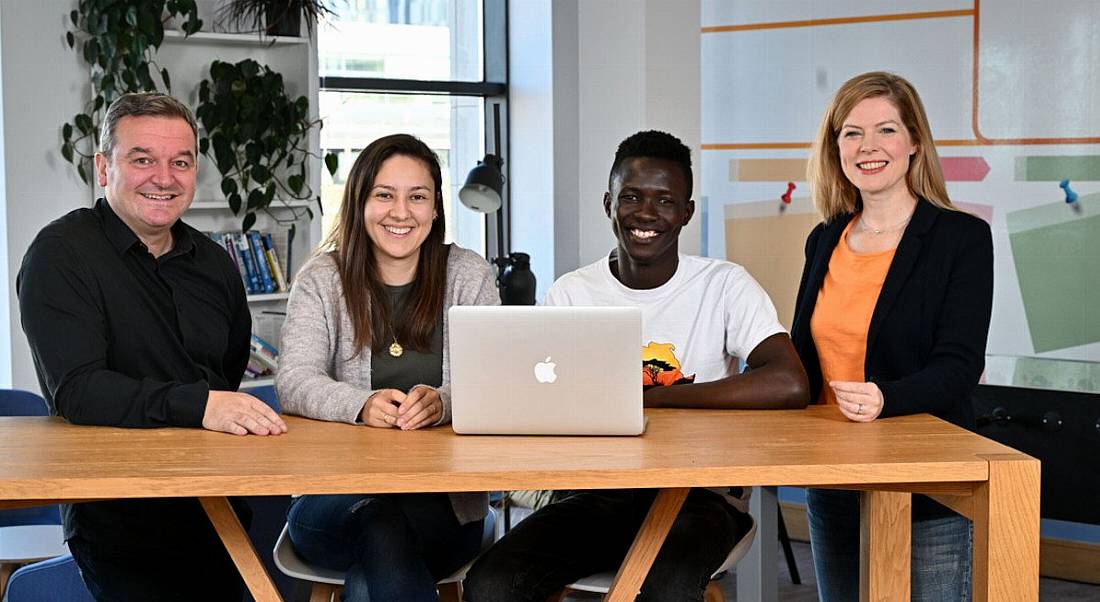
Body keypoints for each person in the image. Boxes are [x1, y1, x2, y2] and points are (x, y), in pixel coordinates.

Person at [463, 130, 809, 601]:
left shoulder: (725, 285)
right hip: (596, 495)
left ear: (686, 212)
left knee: (661, 589)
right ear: (609, 203)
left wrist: (653, 397)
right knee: (490, 583)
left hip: (701, 499)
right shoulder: (572, 292)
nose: (646, 214)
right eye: (631, 197)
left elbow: (789, 383)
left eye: (665, 201)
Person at [16, 92, 287, 601]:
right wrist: (200, 404)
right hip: (118, 516)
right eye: (142, 159)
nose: (164, 178)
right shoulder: (60, 255)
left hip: (217, 505)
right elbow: (79, 391)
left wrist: (211, 404)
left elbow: (225, 371)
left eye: (179, 162)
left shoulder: (214, 264)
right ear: (103, 167)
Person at [791, 71, 994, 601]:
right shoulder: (823, 239)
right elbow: (805, 357)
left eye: (885, 130)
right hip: (833, 477)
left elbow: (959, 365)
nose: (868, 147)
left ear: (914, 143)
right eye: (852, 133)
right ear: (835, 148)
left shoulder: (962, 239)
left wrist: (887, 397)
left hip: (925, 482)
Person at [275, 133, 499, 601]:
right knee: (380, 523)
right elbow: (294, 380)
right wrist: (360, 404)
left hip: (444, 510)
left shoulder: (468, 275)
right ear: (359, 203)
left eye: (417, 196)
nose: (401, 212)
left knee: (375, 563)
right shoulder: (322, 279)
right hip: (334, 502)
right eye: (384, 195)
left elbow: (494, 382)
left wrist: (443, 403)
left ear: (435, 208)